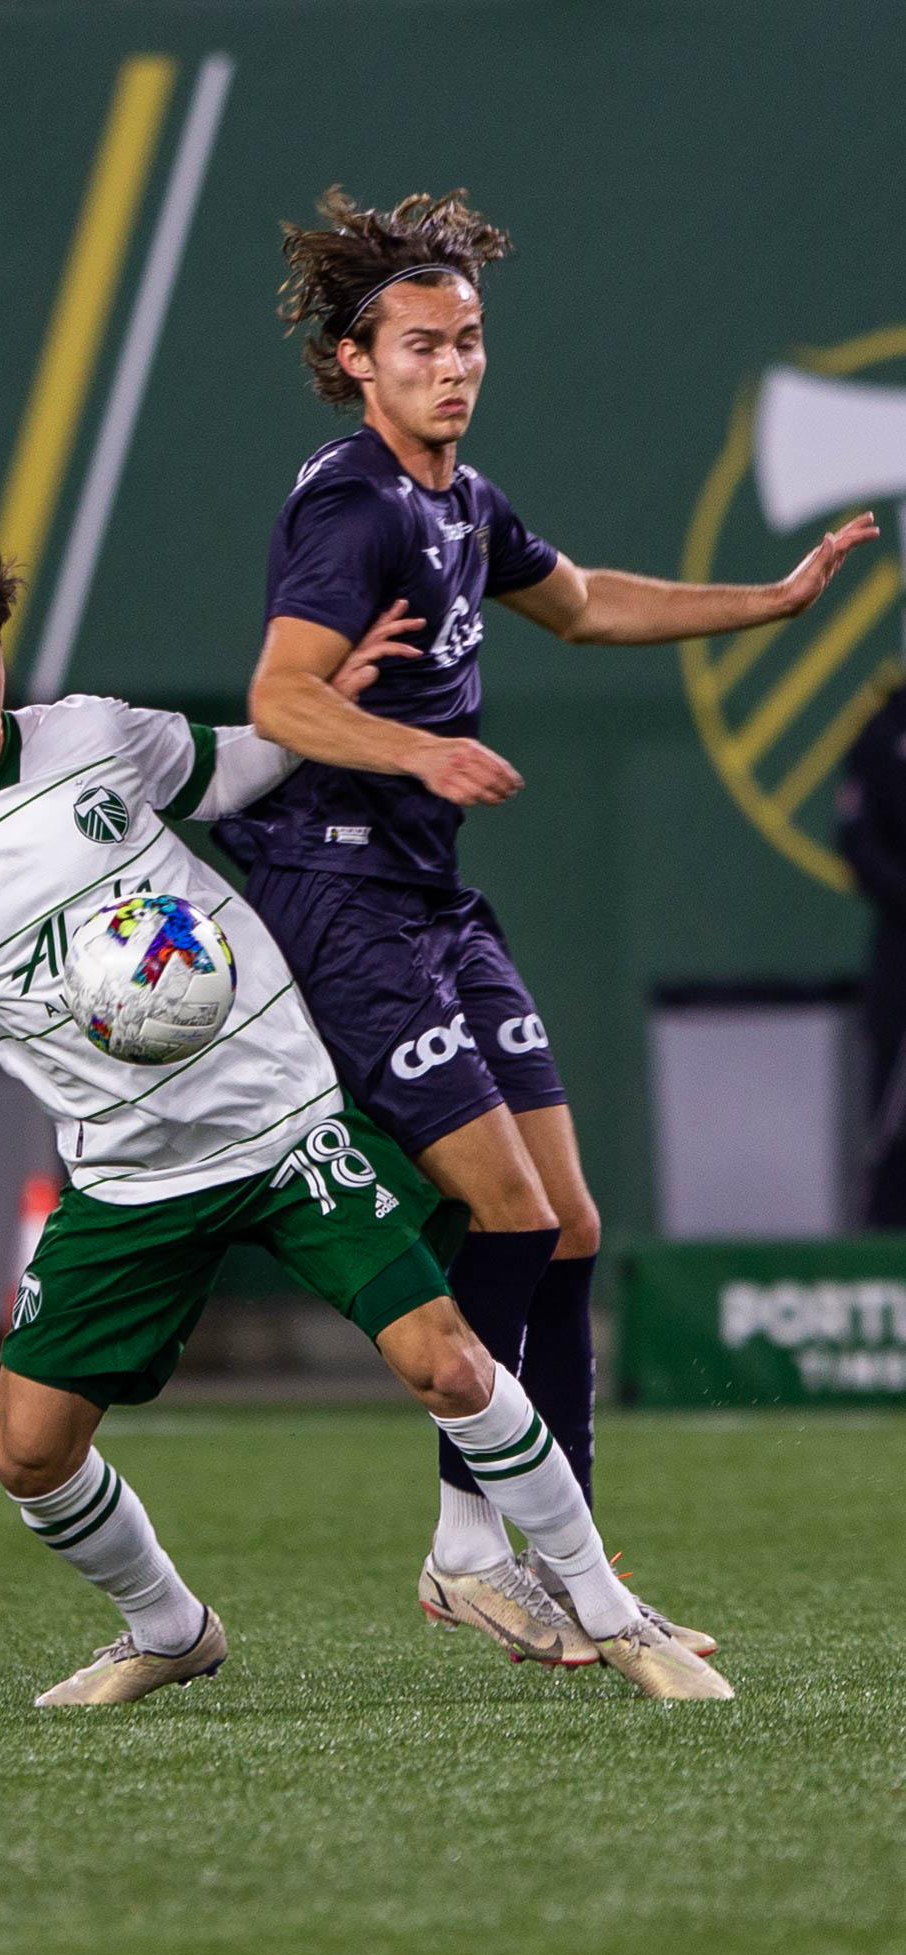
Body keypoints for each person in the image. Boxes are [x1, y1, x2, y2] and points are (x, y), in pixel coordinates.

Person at [0, 534, 732, 1705]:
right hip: (128, 1181)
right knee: (27, 1453)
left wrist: (323, 699)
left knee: (449, 1363)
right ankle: (170, 1627)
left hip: (280, 1123)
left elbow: (235, 769)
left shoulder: (88, 735)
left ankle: (618, 1617)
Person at [214, 187, 879, 1658]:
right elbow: (278, 694)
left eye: (469, 340)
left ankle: (543, 1548)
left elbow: (582, 606)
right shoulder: (353, 500)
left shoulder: (459, 500)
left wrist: (768, 603)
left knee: (568, 1218)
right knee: (506, 1209)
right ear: (353, 361)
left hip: (432, 892)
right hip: (341, 897)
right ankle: (489, 1554)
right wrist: (416, 749)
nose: (455, 365)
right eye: (422, 345)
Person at [837, 683, 906, 1224]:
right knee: (891, 1113)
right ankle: (882, 1253)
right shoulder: (886, 729)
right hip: (901, 947)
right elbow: (858, 842)